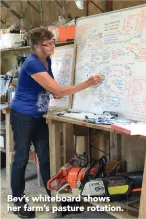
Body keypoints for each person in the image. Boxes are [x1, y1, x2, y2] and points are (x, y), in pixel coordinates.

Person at [10, 27, 103, 218]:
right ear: (36, 46)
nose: (53, 46)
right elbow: (58, 91)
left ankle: (54, 197)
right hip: (23, 116)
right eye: (48, 43)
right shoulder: (32, 64)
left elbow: (52, 90)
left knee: (45, 159)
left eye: (53, 42)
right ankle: (18, 200)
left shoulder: (46, 60)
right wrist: (88, 83)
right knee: (20, 158)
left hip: (38, 116)